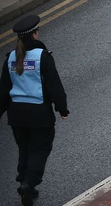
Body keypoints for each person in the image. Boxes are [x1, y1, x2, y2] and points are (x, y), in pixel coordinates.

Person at [2, 14, 67, 206]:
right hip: (39, 114)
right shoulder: (43, 57)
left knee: (25, 149)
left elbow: (3, 89)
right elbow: (54, 85)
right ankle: (29, 183)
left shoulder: (10, 58)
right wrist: (62, 108)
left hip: (16, 115)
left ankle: (25, 182)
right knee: (40, 149)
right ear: (35, 34)